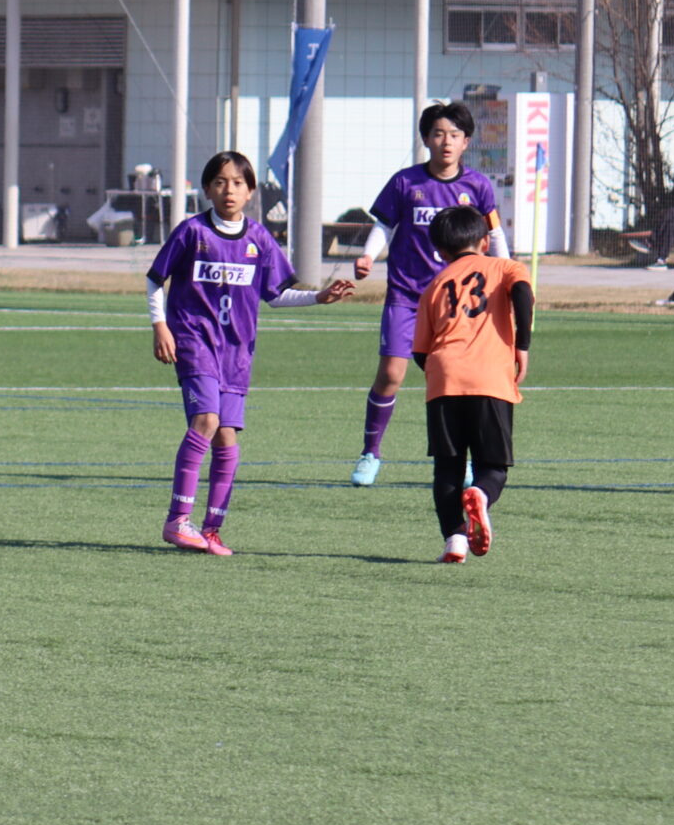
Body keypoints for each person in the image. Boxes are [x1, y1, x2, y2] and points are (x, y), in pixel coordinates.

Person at [149, 151, 356, 555]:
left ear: (250, 192)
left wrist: (318, 296)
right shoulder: (192, 232)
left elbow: (275, 295)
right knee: (207, 420)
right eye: (220, 182)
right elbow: (156, 279)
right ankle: (177, 520)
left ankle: (211, 529)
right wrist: (160, 326)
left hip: (237, 353)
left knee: (226, 436)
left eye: (238, 183)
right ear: (207, 189)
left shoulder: (258, 239)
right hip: (194, 341)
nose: (229, 190)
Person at [349, 102, 504, 487]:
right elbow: (384, 225)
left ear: (466, 142)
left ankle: (462, 460)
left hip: (457, 302)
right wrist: (368, 255)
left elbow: (494, 234)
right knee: (390, 374)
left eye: (454, 135)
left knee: (457, 381)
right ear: (426, 139)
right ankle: (370, 453)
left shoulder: (478, 187)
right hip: (407, 295)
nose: (446, 142)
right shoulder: (406, 182)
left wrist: (505, 274)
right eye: (438, 134)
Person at [411, 205, 532, 564]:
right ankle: (480, 493)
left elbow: (420, 351)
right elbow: (522, 294)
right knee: (492, 466)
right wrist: (522, 345)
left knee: (448, 466)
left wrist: (441, 374)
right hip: (490, 377)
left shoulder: (434, 286)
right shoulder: (506, 267)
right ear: (484, 242)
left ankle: (454, 540)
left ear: (440, 251)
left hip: (444, 378)